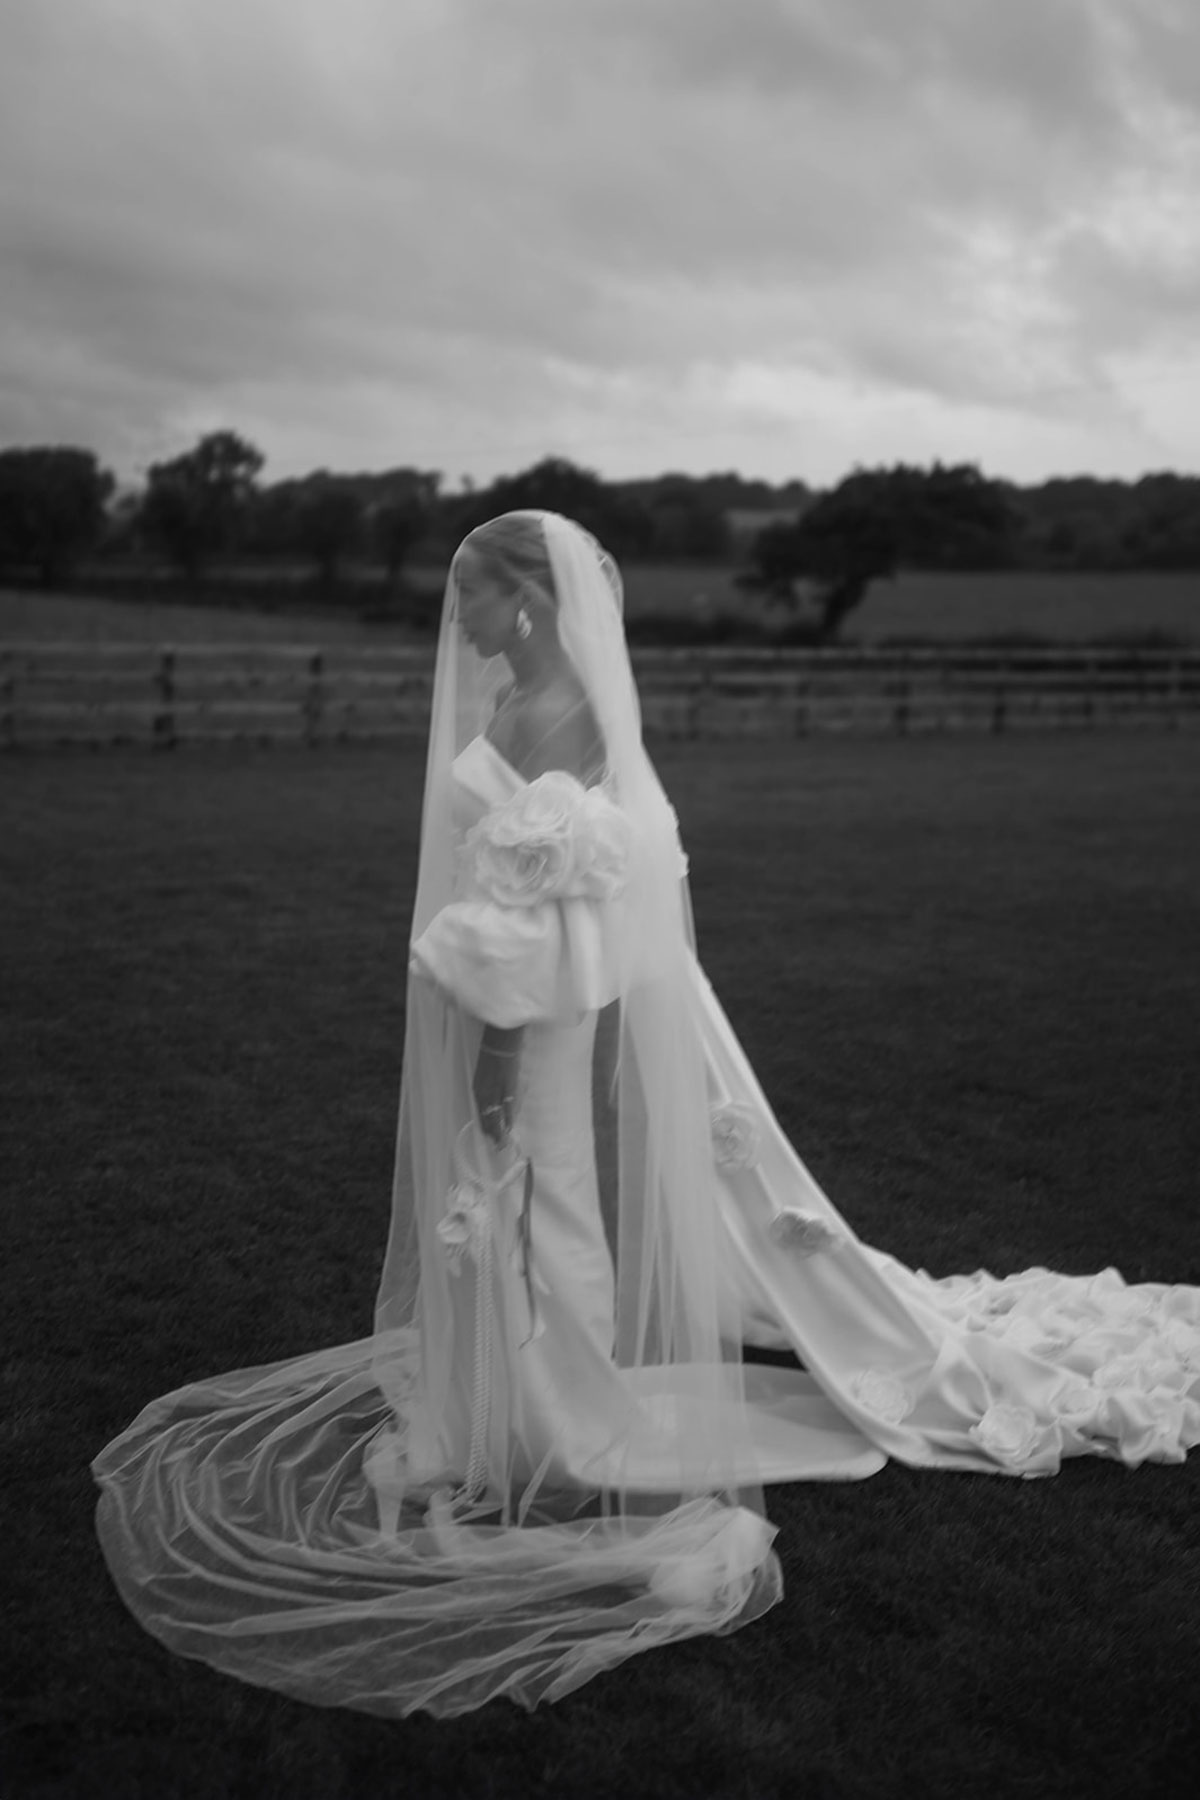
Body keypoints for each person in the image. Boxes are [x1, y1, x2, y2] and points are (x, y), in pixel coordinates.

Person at [92, 510, 1200, 1721]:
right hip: (492, 993)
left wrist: (501, 1054)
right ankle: (515, 1397)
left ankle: (560, 1416)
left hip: (528, 1013)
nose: (455, 620)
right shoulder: (523, 707)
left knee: (531, 1187)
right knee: (505, 1197)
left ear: (526, 604)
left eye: (470, 597)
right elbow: (511, 885)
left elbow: (550, 911)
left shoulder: (557, 717)